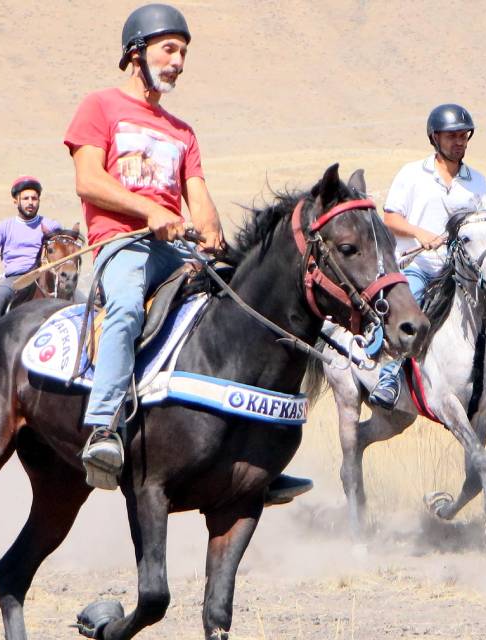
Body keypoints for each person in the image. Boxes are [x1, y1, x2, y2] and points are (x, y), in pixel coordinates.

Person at [64, 4, 310, 502]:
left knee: (236, 312)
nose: (178, 61)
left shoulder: (182, 131)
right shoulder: (100, 107)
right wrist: (148, 212)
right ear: (137, 52)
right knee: (128, 308)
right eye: (169, 50)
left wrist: (212, 231)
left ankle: (251, 458)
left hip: (175, 252)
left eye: (183, 53)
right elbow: (88, 181)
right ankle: (104, 427)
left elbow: (197, 195)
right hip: (121, 244)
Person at [366, 103, 486, 427]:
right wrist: (419, 233)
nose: (460, 141)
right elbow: (390, 218)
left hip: (461, 276)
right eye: (452, 136)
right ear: (434, 138)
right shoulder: (412, 174)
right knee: (406, 313)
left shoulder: (479, 183)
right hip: (422, 266)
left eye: (464, 136)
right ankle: (389, 378)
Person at [0, 176, 62, 322]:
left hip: (47, 277)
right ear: (16, 201)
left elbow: (64, 249)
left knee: (82, 299)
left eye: (34, 198)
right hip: (17, 279)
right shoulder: (4, 227)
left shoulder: (51, 225)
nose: (30, 202)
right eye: (26, 198)